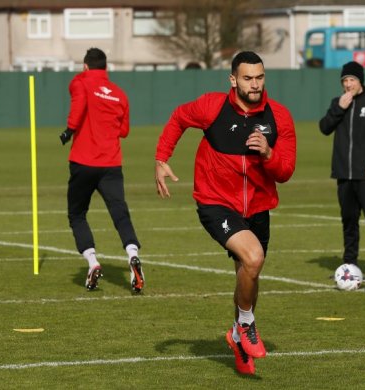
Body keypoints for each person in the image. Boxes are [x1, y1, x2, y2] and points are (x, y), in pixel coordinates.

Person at [155, 51, 296, 375]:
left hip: (259, 206)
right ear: (233, 80)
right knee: (254, 258)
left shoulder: (280, 117)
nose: (255, 84)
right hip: (215, 200)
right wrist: (162, 157)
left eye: (260, 77)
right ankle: (246, 324)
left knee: (249, 273)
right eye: (248, 78)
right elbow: (179, 118)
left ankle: (236, 337)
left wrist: (269, 153)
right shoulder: (212, 106)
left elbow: (285, 171)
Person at [60, 48, 144, 293]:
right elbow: (124, 130)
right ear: (106, 68)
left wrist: (70, 129)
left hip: (84, 162)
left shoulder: (81, 81)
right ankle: (132, 254)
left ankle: (93, 261)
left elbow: (79, 104)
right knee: (120, 213)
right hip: (111, 163)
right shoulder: (119, 93)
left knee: (77, 215)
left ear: (86, 67)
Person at [319, 61, 365, 282]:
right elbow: (324, 128)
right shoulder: (337, 103)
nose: (348, 85)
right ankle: (349, 266)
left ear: (360, 81)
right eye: (345, 81)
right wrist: (339, 108)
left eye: (352, 80)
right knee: (348, 221)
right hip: (344, 174)